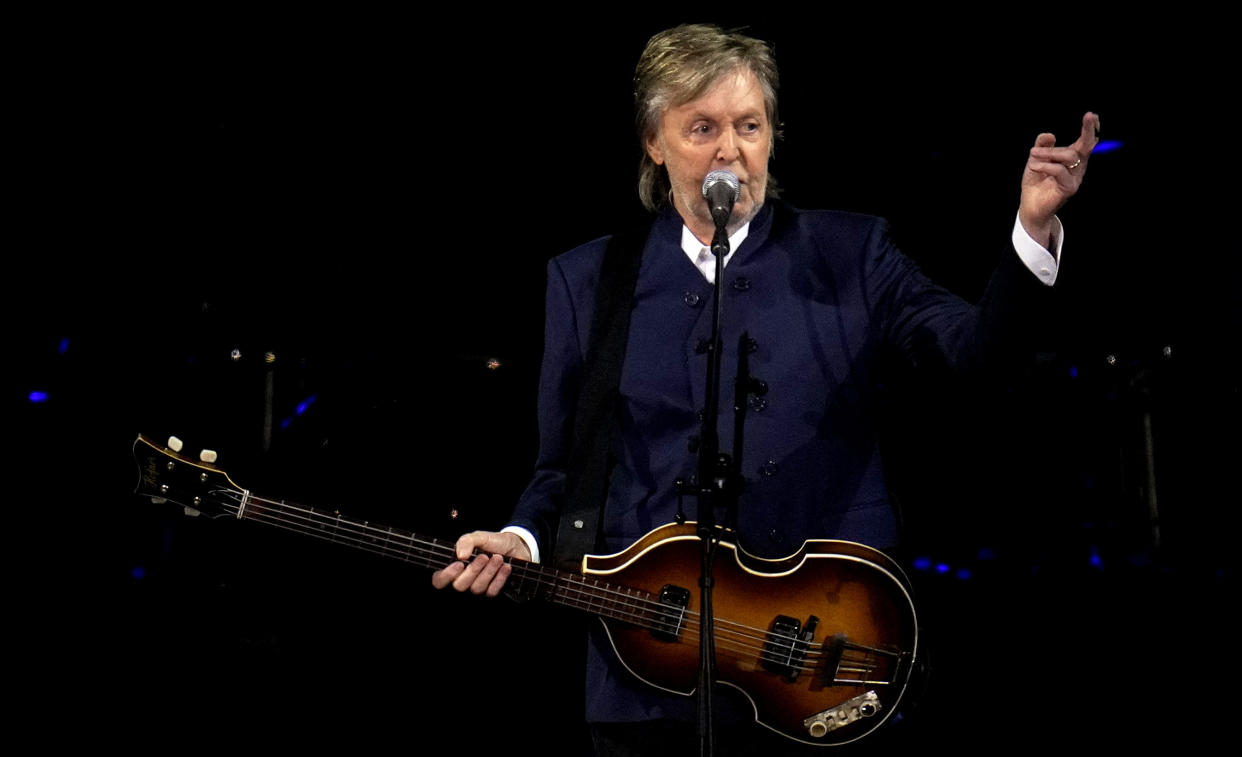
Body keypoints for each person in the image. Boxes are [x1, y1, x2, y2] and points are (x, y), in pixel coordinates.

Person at [433, 23, 1098, 754]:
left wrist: (1031, 230)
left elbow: (974, 357)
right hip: (644, 677)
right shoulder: (587, 280)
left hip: (821, 663)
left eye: (749, 126)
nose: (729, 151)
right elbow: (564, 464)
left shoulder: (851, 252)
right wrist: (524, 538)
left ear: (773, 135)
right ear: (655, 143)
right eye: (702, 128)